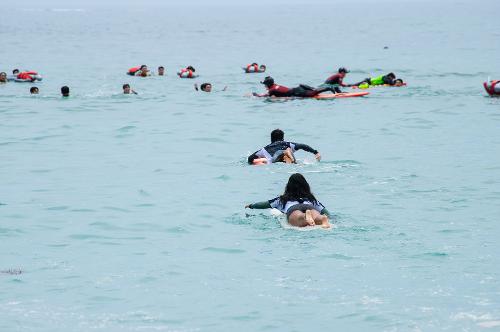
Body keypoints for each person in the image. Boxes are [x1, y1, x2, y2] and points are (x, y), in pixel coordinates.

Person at [245, 173, 331, 228]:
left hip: (293, 208)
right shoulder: (311, 198)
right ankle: (322, 219)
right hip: (309, 206)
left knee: (299, 217)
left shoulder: (283, 199)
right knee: (317, 217)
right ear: (305, 185)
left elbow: (264, 204)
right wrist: (330, 217)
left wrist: (251, 206)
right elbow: (325, 211)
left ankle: (305, 216)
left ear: (289, 186)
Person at [247, 129, 321, 165]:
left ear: (271, 139)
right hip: (287, 155)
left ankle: (286, 154)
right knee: (292, 160)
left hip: (275, 160)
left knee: (275, 159)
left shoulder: (264, 150)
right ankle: (287, 154)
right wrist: (315, 152)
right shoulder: (289, 144)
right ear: (283, 138)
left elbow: (250, 158)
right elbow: (303, 146)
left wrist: (259, 162)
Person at [253, 76, 332, 98]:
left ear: (269, 84)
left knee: (313, 94)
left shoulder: (272, 89)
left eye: (265, 84)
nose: (264, 85)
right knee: (313, 90)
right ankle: (318, 89)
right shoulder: (275, 85)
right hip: (299, 87)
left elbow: (264, 96)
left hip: (297, 92)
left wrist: (256, 95)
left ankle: (328, 88)